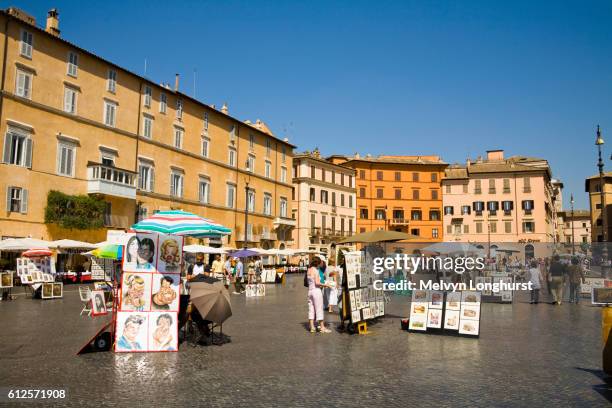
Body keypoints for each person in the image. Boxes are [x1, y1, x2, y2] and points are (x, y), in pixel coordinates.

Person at [307, 257, 331, 333]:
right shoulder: (316, 271)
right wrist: (325, 285)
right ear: (317, 263)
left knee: (311, 309)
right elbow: (317, 283)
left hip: (310, 291)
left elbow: (310, 282)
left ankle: (312, 327)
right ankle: (322, 327)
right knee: (319, 308)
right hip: (316, 291)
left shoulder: (309, 270)